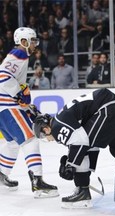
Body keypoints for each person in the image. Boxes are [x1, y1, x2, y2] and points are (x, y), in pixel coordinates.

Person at [32, 88, 115, 208]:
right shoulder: (61, 119)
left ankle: (82, 194)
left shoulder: (56, 127)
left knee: (81, 149)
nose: (48, 139)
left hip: (107, 110)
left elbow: (81, 143)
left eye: (44, 136)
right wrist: (75, 166)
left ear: (46, 129)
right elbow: (88, 143)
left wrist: (71, 165)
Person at [0, 27, 58, 198]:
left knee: (13, 143)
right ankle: (38, 183)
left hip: (3, 107)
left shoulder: (16, 54)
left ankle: (1, 174)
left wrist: (22, 95)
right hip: (8, 106)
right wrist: (19, 93)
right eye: (32, 41)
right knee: (30, 140)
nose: (35, 44)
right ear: (24, 42)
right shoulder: (20, 54)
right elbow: (3, 76)